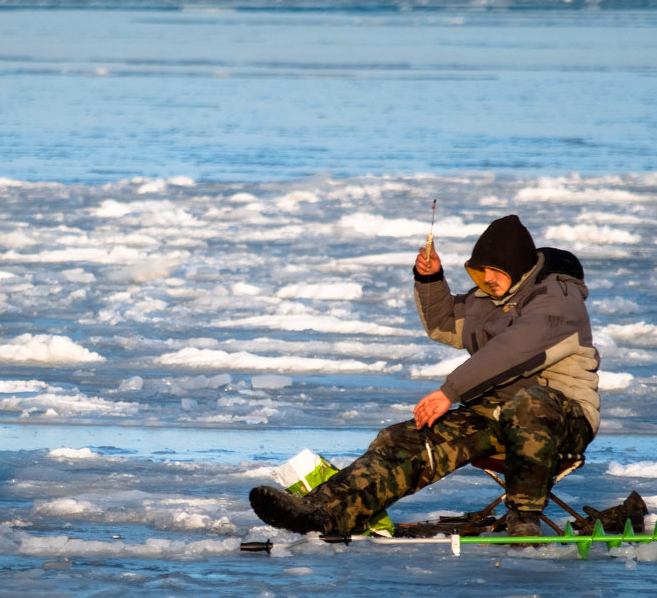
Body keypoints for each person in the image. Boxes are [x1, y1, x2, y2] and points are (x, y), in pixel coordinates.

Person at [249, 214, 600, 537]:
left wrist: (450, 392)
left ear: (518, 267)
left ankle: (524, 519)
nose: (487, 278)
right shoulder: (488, 298)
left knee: (529, 405)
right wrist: (430, 279)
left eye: (495, 270)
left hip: (560, 420)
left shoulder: (558, 301)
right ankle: (325, 512)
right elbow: (445, 323)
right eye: (482, 270)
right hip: (493, 415)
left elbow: (513, 348)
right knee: (404, 439)